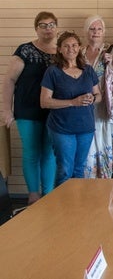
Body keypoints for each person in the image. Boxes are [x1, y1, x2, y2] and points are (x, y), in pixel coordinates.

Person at [2, 12, 58, 204]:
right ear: (36, 28)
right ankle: (33, 195)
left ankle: (49, 194)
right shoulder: (25, 51)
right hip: (27, 111)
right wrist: (6, 110)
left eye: (51, 25)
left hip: (53, 111)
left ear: (56, 28)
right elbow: (9, 80)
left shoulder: (62, 52)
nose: (48, 28)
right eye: (43, 25)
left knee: (49, 152)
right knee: (32, 152)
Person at [40, 31, 101, 186]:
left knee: (79, 170)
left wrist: (92, 99)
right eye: (66, 46)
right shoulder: (53, 71)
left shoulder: (88, 70)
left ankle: (77, 208)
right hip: (62, 128)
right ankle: (60, 208)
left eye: (74, 45)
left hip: (85, 128)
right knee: (65, 171)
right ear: (59, 49)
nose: (71, 49)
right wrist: (73, 102)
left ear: (79, 48)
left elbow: (98, 95)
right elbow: (44, 102)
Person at [82, 15, 113, 178]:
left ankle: (109, 181)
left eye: (99, 29)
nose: (96, 32)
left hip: (107, 106)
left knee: (105, 137)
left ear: (104, 31)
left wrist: (112, 63)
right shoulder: (79, 52)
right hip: (85, 106)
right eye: (92, 29)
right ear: (86, 32)